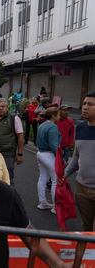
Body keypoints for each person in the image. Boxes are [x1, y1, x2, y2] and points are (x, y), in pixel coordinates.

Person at [64, 92, 95, 231]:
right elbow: (77, 157)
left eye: (90, 104)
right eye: (84, 104)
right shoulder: (81, 128)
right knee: (87, 228)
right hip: (82, 188)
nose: (85, 107)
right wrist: (65, 174)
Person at [0, 98, 24, 186]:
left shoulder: (14, 118)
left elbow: (20, 136)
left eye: (3, 106)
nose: (0, 108)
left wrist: (20, 154)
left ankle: (10, 198)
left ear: (7, 107)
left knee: (8, 178)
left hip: (8, 154)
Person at [36, 107, 60, 214]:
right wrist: (60, 157)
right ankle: (55, 207)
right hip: (49, 155)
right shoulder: (53, 127)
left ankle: (42, 202)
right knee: (55, 180)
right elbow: (54, 146)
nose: (59, 116)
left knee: (43, 178)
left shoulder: (42, 125)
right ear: (53, 116)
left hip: (40, 153)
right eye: (58, 114)